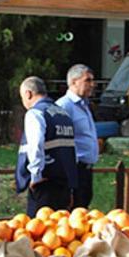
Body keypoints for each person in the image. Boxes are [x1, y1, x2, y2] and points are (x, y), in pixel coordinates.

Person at [15, 76, 78, 215]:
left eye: (22, 97)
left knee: (39, 231)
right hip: (64, 182)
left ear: (28, 94)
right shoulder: (63, 113)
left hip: (45, 183)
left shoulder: (36, 113)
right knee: (61, 231)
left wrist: (35, 176)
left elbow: (35, 145)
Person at [56, 64, 98, 209]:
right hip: (73, 169)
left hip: (86, 169)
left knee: (82, 211)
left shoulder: (84, 105)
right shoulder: (64, 106)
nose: (92, 85)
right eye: (87, 80)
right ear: (74, 81)